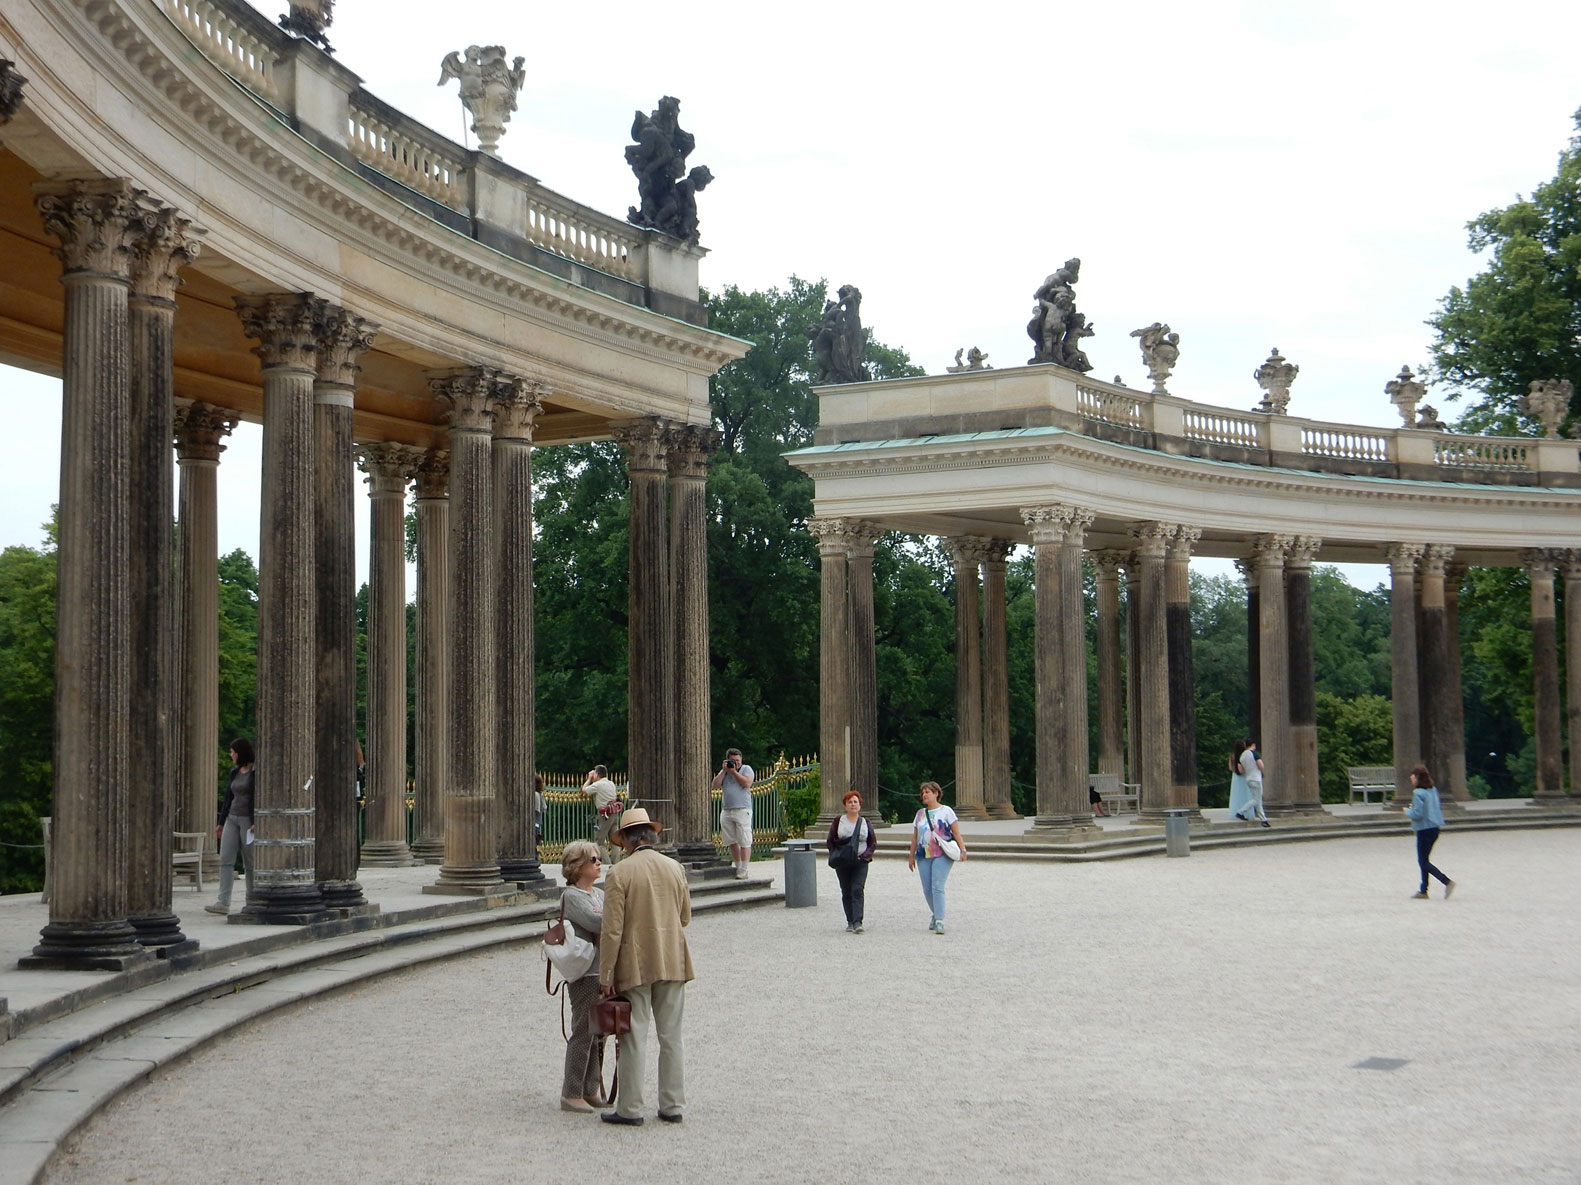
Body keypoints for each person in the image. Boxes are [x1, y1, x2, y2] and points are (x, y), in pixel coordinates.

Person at [599, 807, 693, 1126]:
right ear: (652, 835)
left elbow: (612, 930)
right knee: (671, 1036)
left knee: (634, 1035)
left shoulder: (619, 873)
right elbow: (684, 917)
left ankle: (631, 1108)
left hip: (634, 960)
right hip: (672, 956)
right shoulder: (674, 868)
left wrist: (606, 973)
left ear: (626, 839)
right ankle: (672, 1104)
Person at [558, 840, 608, 1113]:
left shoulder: (597, 894)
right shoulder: (572, 896)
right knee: (583, 1030)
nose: (598, 863)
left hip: (601, 968)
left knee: (598, 1031)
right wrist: (608, 915)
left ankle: (590, 1088)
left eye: (598, 858)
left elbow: (603, 918)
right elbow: (598, 922)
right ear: (577, 866)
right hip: (585, 970)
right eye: (592, 859)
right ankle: (571, 1091)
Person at [205, 738, 256, 916]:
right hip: (232, 818)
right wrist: (221, 822)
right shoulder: (234, 772)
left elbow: (258, 796)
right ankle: (223, 901)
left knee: (250, 860)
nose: (231, 754)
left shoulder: (255, 772)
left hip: (248, 820)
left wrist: (257, 819)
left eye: (233, 751)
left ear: (240, 752)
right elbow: (228, 797)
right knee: (226, 858)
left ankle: (252, 898)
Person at [908, 781, 966, 934]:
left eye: (927, 792)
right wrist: (911, 856)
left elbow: (956, 832)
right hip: (923, 854)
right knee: (927, 889)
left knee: (937, 886)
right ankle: (935, 913)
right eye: (923, 793)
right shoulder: (920, 814)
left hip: (941, 853)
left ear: (936, 793)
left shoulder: (946, 811)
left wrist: (963, 849)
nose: (924, 795)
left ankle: (939, 919)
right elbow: (915, 837)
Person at [824, 790, 877, 932]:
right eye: (850, 802)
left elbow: (872, 842)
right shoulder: (838, 821)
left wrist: (865, 856)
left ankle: (858, 921)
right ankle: (850, 920)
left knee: (857, 889)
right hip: (843, 861)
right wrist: (837, 855)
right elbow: (830, 841)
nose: (853, 804)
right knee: (846, 890)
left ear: (860, 805)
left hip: (860, 860)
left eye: (855, 802)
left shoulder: (866, 822)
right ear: (845, 806)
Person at [1406, 764, 1455, 900]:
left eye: (1413, 775)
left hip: (1424, 829)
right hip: (1434, 828)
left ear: (1417, 778)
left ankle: (1446, 882)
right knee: (1424, 860)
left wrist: (1407, 811)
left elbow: (1418, 813)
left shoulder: (1418, 793)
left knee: (1423, 861)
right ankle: (1423, 890)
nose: (1411, 778)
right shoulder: (1433, 790)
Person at [712, 747, 755, 879]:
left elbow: (747, 783)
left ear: (741, 760)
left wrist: (735, 772)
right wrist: (724, 771)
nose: (735, 763)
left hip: (742, 809)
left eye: (737, 760)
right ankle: (737, 865)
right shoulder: (724, 772)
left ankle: (744, 868)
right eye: (732, 761)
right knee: (731, 840)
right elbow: (715, 785)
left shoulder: (746, 769)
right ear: (727, 760)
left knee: (744, 840)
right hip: (727, 809)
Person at [583, 765, 622, 862]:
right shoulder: (611, 783)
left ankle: (607, 863)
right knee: (614, 841)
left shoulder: (598, 785)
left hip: (604, 815)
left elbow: (584, 790)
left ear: (597, 774)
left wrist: (589, 779)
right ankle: (616, 862)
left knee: (599, 842)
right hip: (614, 813)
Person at [1233, 738, 1269, 827]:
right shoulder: (1254, 753)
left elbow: (1241, 770)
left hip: (1248, 778)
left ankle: (1264, 819)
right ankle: (1241, 811)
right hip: (1256, 778)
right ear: (1253, 745)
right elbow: (1261, 766)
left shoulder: (1242, 756)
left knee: (1257, 799)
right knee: (1256, 799)